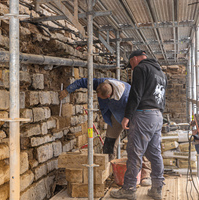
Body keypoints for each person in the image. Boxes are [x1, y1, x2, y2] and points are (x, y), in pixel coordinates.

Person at [59, 77, 152, 186]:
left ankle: (146, 173)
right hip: (116, 116)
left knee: (138, 143)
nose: (98, 97)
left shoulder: (127, 95)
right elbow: (83, 81)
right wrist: (67, 90)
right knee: (109, 142)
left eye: (100, 97)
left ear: (108, 96)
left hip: (132, 116)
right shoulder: (101, 83)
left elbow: (137, 106)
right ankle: (109, 170)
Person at [110, 50, 167, 200]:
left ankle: (129, 189)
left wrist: (127, 116)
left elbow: (135, 94)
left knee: (135, 153)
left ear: (135, 59)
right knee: (154, 153)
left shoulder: (141, 68)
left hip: (143, 115)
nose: (132, 68)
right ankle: (157, 188)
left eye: (131, 65)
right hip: (157, 116)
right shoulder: (160, 72)